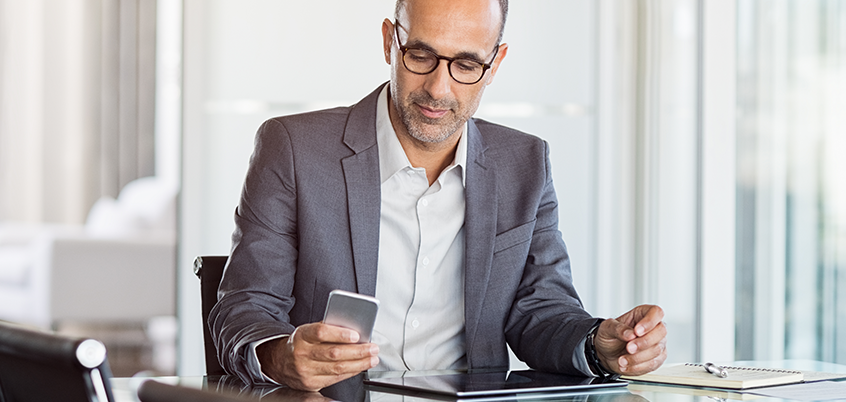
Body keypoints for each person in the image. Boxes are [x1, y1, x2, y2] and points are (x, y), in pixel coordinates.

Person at [210, 0, 668, 392]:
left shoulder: (525, 163)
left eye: (466, 65)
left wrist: (597, 343)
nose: (438, 88)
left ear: (496, 63)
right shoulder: (293, 149)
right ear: (390, 41)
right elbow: (245, 307)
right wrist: (279, 355)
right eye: (421, 56)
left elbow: (541, 313)